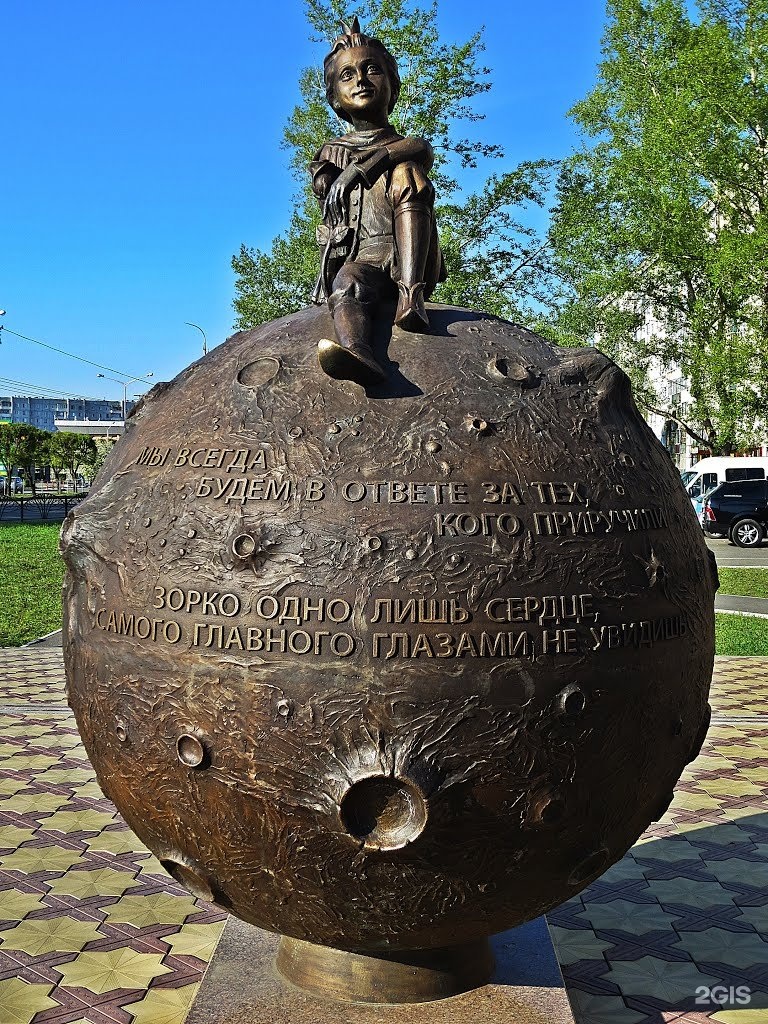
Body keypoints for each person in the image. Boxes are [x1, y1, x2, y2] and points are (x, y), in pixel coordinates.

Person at [311, 17, 445, 386]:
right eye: (347, 75)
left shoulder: (408, 146)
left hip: (410, 258)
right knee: (348, 283)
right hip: (363, 259)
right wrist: (330, 169)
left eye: (372, 70)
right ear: (335, 96)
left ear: (392, 82)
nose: (361, 81)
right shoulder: (331, 150)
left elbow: (418, 148)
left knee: (405, 172)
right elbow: (323, 188)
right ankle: (358, 352)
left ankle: (411, 297)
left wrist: (360, 168)